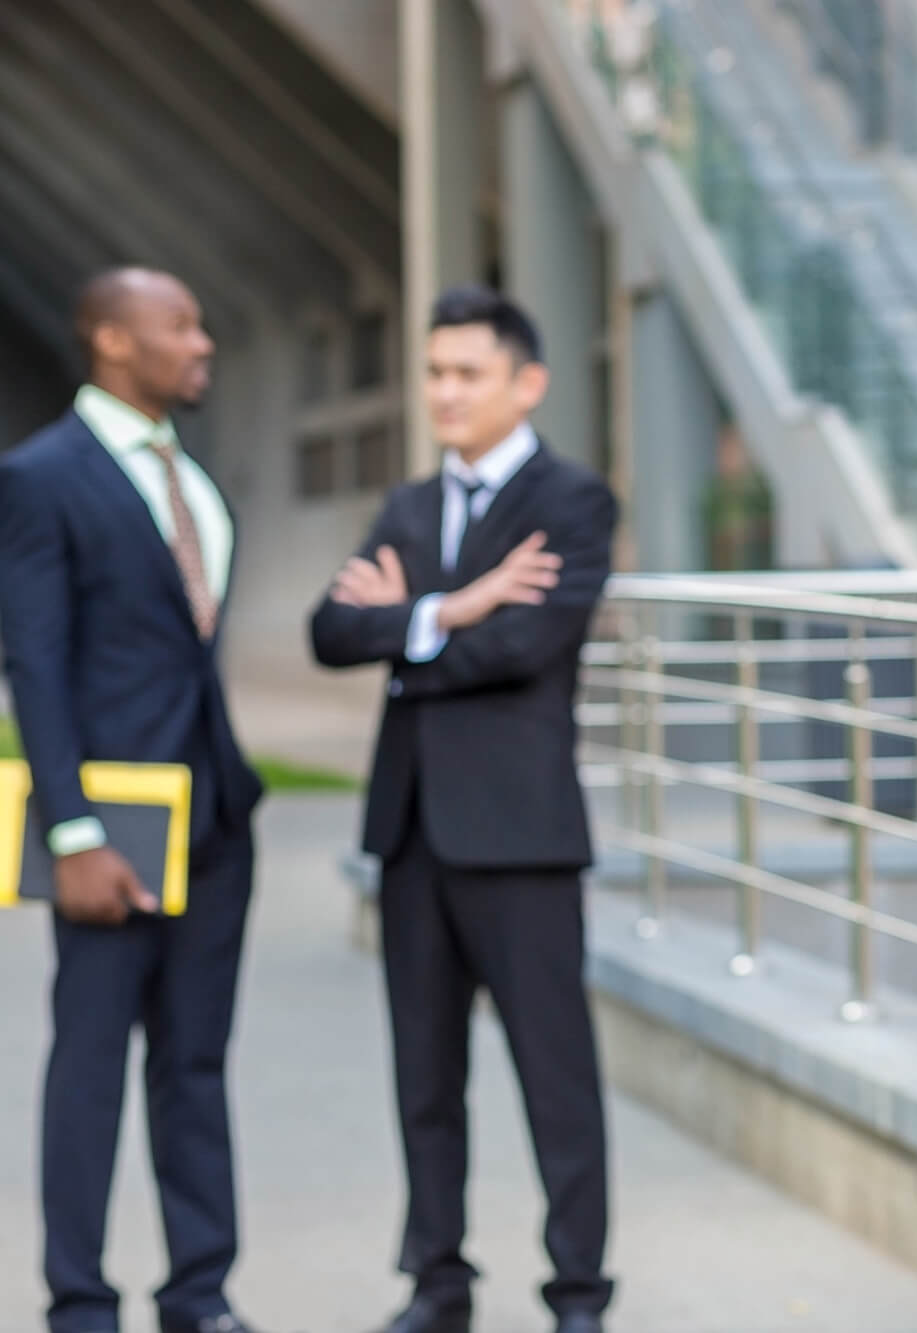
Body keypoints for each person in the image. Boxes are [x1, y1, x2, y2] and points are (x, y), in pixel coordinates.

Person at [309, 286, 618, 1333]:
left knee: (555, 1081)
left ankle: (577, 1295)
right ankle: (436, 1284)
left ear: (524, 383)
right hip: (410, 836)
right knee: (423, 1079)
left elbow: (529, 646)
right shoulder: (405, 506)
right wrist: (453, 610)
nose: (442, 391)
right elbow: (326, 633)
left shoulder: (569, 501)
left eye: (465, 373)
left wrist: (402, 634)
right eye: (433, 372)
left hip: (520, 835)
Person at [0, 268, 271, 1333]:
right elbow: (36, 666)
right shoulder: (38, 476)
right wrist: (73, 831)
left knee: (195, 1065)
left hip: (217, 822)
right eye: (178, 325)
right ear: (110, 339)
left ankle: (199, 1293)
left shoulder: (190, 478)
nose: (202, 343)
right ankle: (80, 1302)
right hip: (112, 832)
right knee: (94, 1067)